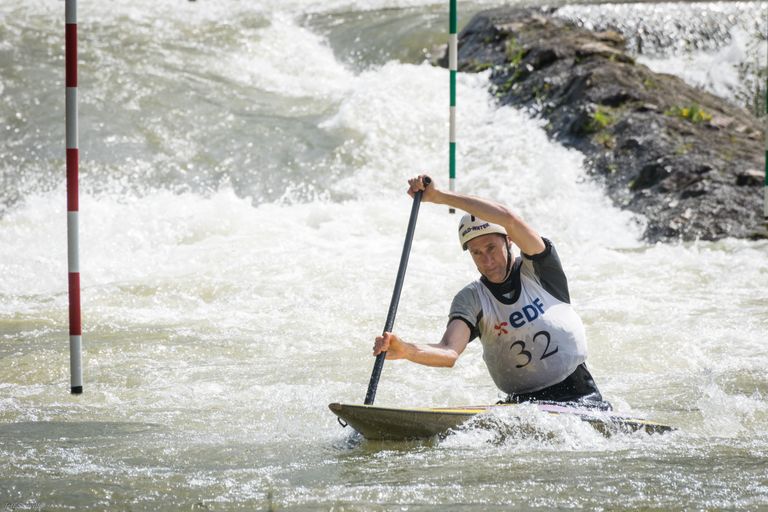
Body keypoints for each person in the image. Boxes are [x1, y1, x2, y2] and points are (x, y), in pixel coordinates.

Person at [373, 175, 610, 409]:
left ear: (509, 242)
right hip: (522, 407)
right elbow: (448, 352)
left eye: (491, 248)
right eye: (476, 253)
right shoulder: (471, 298)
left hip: (579, 396)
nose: (487, 260)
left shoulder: (539, 268)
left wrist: (439, 196)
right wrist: (406, 349)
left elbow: (509, 219)